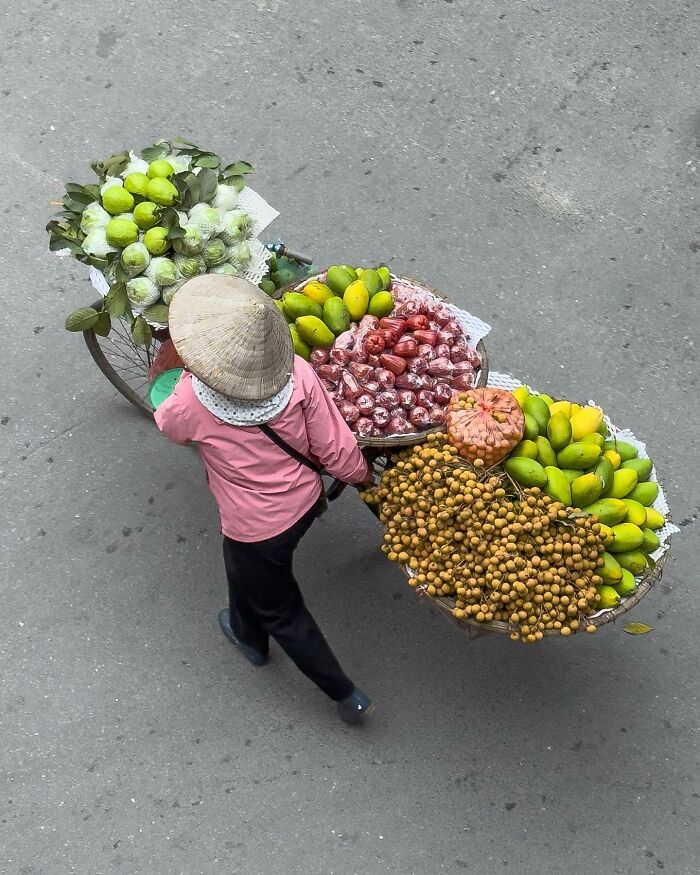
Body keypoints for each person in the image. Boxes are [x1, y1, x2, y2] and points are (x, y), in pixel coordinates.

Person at [153, 274, 374, 724]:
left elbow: (170, 430)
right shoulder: (300, 374)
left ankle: (343, 692)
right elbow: (336, 451)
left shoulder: (188, 403)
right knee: (244, 569)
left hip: (255, 526)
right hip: (306, 504)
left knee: (281, 607)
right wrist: (364, 480)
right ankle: (245, 632)